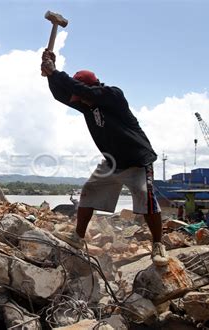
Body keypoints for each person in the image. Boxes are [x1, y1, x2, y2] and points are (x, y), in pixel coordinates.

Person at [41, 50, 169, 266]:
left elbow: (78, 90)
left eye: (81, 94)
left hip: (138, 160)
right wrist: (51, 72)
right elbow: (61, 95)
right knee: (90, 190)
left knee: (144, 196)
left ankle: (158, 244)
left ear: (90, 88)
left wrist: (56, 72)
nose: (78, 100)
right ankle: (77, 237)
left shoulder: (113, 96)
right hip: (112, 162)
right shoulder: (86, 105)